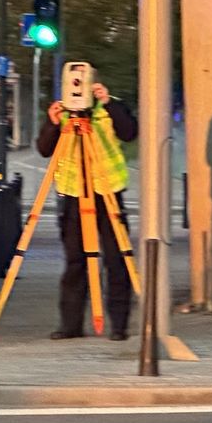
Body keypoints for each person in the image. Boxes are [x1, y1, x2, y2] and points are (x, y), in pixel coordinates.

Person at [37, 79, 138, 341]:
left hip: (107, 192)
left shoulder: (108, 109)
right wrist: (52, 122)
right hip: (73, 193)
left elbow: (129, 132)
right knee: (74, 262)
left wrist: (108, 102)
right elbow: (43, 149)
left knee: (116, 260)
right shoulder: (62, 113)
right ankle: (70, 324)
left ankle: (119, 324)